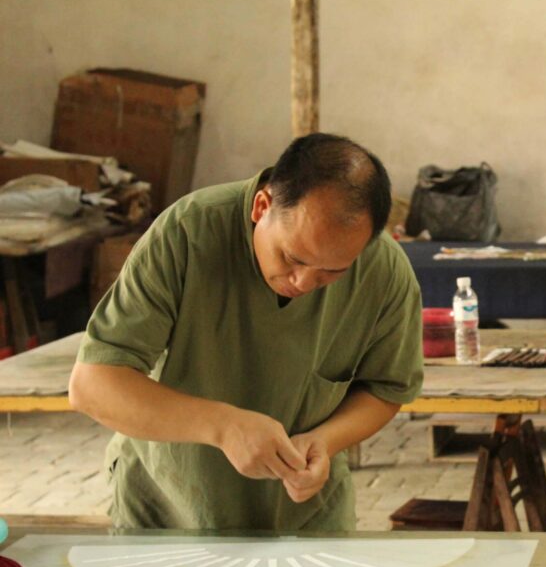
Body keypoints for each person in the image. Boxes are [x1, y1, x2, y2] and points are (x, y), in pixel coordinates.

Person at [69, 133, 423, 532]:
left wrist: (325, 441)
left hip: (304, 515)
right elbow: (93, 385)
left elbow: (386, 388)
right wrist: (222, 425)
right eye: (292, 257)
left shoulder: (385, 271)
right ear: (262, 206)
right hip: (169, 508)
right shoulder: (186, 234)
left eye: (333, 271)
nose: (304, 281)